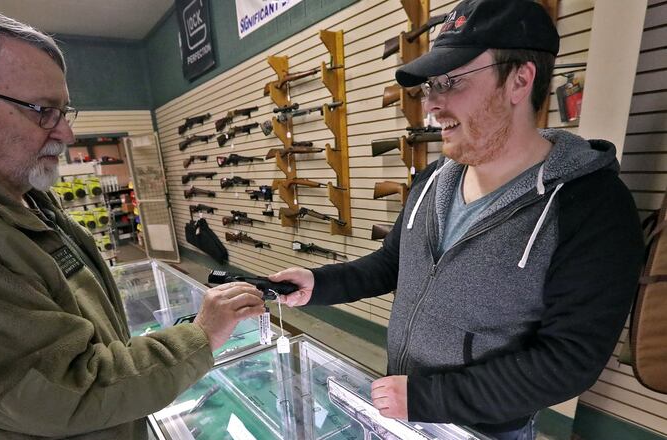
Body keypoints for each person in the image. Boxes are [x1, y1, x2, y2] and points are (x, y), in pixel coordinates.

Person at [0, 3, 264, 439]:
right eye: (41, 110)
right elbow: (67, 390)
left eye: (63, 111)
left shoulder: (9, 189)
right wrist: (200, 336)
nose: (65, 134)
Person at [270, 0, 644, 438]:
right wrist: (321, 283)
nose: (431, 105)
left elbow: (569, 361)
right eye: (430, 86)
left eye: (450, 83)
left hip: (484, 429)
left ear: (520, 80)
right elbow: (394, 263)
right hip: (404, 409)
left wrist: (429, 398)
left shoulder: (594, 206)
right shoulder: (435, 180)